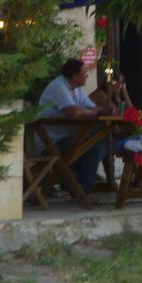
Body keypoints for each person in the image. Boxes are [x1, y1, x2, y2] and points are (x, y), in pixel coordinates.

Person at [38, 58, 105, 190]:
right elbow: (74, 112)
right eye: (84, 73)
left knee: (102, 143)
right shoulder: (58, 86)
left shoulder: (77, 90)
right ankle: (82, 188)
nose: (87, 75)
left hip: (68, 137)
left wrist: (89, 111)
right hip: (51, 141)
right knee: (95, 147)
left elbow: (92, 108)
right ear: (74, 75)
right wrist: (90, 112)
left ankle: (75, 184)